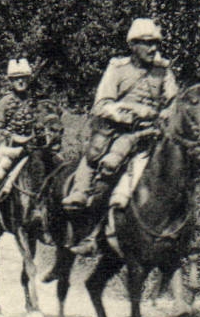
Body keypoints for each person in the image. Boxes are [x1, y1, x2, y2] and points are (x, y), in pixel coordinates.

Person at [61, 18, 179, 251]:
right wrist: (130, 114)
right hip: (119, 132)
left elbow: (173, 100)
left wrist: (165, 114)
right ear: (133, 45)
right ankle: (92, 232)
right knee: (107, 168)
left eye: (155, 43)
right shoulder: (118, 69)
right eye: (146, 43)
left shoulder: (163, 70)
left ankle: (180, 233)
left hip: (154, 132)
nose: (152, 48)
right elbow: (102, 104)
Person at [0, 58, 41, 239]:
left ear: (29, 79)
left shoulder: (35, 102)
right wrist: (16, 139)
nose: (20, 81)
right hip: (9, 149)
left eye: (23, 78)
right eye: (16, 78)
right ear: (11, 81)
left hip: (34, 148)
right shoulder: (3, 102)